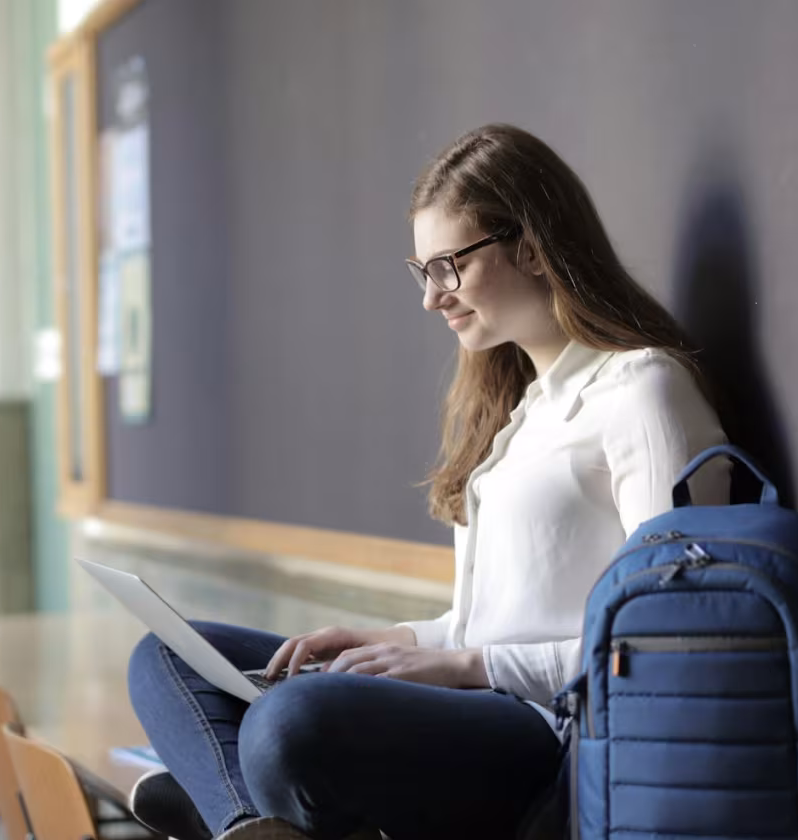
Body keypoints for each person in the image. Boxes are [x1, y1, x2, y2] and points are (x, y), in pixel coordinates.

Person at [126, 123, 730, 840]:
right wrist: (391, 639)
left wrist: (465, 666)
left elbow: (675, 644)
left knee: (290, 724)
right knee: (167, 655)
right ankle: (247, 821)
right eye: (423, 272)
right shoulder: (519, 412)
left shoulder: (642, 392)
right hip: (478, 699)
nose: (431, 297)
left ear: (530, 248)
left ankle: (229, 797)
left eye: (448, 266)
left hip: (556, 731)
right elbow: (489, 621)